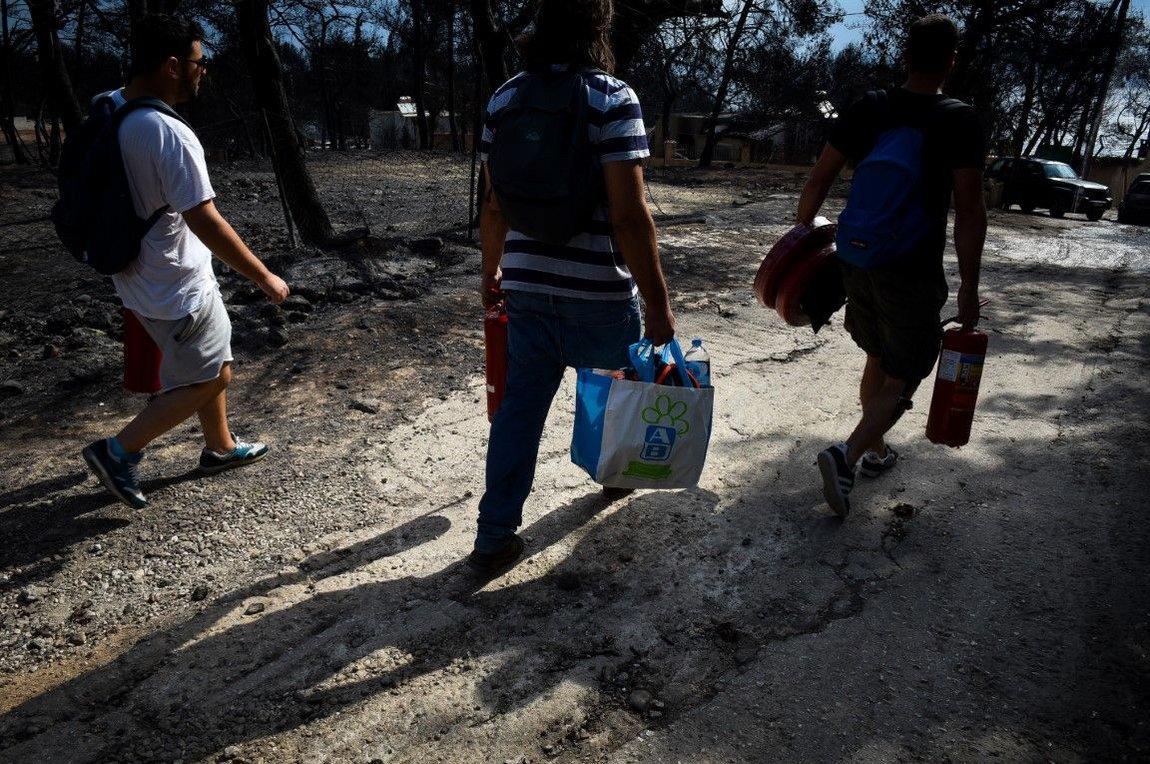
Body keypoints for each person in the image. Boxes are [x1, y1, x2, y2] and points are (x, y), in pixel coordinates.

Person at [470, 0, 676, 573]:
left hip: (529, 291)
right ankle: (613, 477)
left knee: (519, 412)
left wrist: (492, 275)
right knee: (611, 392)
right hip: (601, 298)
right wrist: (657, 305)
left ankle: (494, 536)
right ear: (599, 27)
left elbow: (493, 206)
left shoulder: (505, 99)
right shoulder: (614, 99)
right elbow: (630, 216)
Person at [81, 15, 290, 509]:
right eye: (200, 62)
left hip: (133, 273)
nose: (204, 72)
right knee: (212, 375)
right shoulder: (168, 134)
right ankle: (118, 451)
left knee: (208, 360)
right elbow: (205, 220)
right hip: (177, 283)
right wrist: (264, 276)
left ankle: (220, 447)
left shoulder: (111, 107)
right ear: (173, 65)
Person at [795, 14, 986, 517]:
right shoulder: (959, 119)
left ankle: (876, 451)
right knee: (901, 375)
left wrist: (803, 249)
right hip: (912, 268)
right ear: (950, 60)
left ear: (905, 56)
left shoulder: (870, 107)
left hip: (856, 256)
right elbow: (969, 210)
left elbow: (817, 182)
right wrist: (969, 285)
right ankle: (847, 454)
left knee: (877, 358)